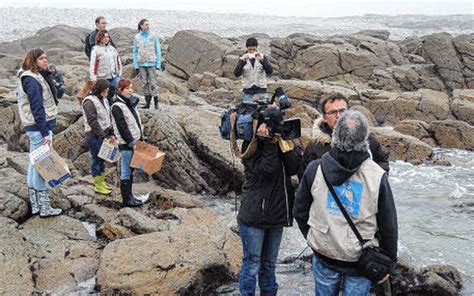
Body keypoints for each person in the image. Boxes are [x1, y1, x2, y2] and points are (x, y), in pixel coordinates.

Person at [294, 111, 398, 296]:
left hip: (324, 253)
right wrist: (388, 262)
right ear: (365, 139)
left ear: (335, 136)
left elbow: (300, 211)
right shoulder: (377, 176)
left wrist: (313, 238)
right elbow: (388, 225)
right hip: (361, 260)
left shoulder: (315, 168)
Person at [237, 120, 302, 296]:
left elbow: (293, 168)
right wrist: (267, 143)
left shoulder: (282, 141)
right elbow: (268, 170)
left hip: (276, 213)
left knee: (269, 265)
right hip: (254, 215)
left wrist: (284, 140)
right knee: (252, 265)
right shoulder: (250, 145)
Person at [299, 93, 389, 179]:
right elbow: (305, 176)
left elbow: (382, 161)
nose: (338, 116)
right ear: (325, 118)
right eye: (333, 112)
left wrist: (375, 181)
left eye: (342, 111)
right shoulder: (315, 146)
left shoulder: (365, 138)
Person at [17, 48, 63, 218]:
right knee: (41, 169)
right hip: (39, 129)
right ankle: (44, 208)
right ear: (34, 60)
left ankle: (36, 205)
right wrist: (45, 133)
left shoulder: (29, 75)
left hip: (34, 129)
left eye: (46, 57)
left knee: (32, 165)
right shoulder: (31, 80)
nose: (46, 61)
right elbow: (37, 108)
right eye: (42, 58)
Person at [111, 79, 144, 207]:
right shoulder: (117, 106)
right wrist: (131, 142)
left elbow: (135, 122)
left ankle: (130, 196)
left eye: (131, 88)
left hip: (135, 141)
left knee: (131, 170)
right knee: (126, 171)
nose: (130, 90)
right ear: (120, 90)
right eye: (127, 88)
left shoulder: (129, 103)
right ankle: (127, 199)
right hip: (126, 144)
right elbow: (122, 127)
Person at [82, 79, 115, 195]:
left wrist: (111, 133)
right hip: (93, 136)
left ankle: (102, 181)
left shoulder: (104, 100)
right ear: (100, 90)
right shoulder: (89, 102)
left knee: (102, 159)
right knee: (96, 159)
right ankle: (97, 184)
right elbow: (92, 121)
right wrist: (102, 136)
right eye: (106, 90)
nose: (107, 92)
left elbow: (107, 117)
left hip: (104, 133)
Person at [133, 19, 161, 110]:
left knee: (153, 83)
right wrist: (136, 64)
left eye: (148, 24)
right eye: (145, 24)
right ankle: (147, 103)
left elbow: (158, 50)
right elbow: (135, 52)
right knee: (144, 83)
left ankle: (156, 103)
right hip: (141, 63)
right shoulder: (137, 37)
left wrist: (158, 64)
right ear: (141, 25)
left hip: (151, 62)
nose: (147, 26)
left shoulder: (153, 36)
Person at [234, 37, 273, 102]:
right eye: (250, 49)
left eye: (254, 49)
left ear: (256, 47)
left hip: (261, 89)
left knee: (261, 110)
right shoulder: (242, 59)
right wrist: (242, 62)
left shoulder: (262, 57)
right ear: (246, 48)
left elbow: (270, 71)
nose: (252, 51)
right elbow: (236, 74)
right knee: (248, 110)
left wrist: (263, 61)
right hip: (248, 90)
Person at [89, 30, 122, 104]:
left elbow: (118, 61)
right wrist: (93, 78)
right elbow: (93, 65)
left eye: (107, 37)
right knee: (103, 95)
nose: (106, 39)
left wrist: (119, 73)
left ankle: (113, 106)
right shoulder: (96, 49)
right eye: (104, 37)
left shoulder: (112, 49)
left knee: (115, 91)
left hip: (114, 76)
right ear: (99, 38)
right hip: (102, 77)